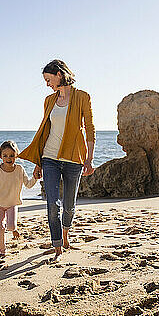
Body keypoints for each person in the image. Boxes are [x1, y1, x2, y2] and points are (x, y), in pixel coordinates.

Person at [18, 59, 95, 263]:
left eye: (48, 79)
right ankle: (57, 246)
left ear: (59, 74)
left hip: (74, 159)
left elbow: (90, 129)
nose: (47, 84)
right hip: (50, 158)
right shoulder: (48, 101)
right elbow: (45, 131)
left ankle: (66, 234)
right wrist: (38, 162)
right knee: (53, 204)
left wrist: (89, 159)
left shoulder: (82, 97)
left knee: (69, 205)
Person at [0, 140, 38, 258]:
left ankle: (14, 229)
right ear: (0, 156)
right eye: (5, 156)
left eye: (12, 155)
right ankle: (2, 251)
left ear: (16, 155)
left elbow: (28, 184)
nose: (9, 158)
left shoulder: (19, 169)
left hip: (12, 203)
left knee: (11, 226)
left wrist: (35, 177)